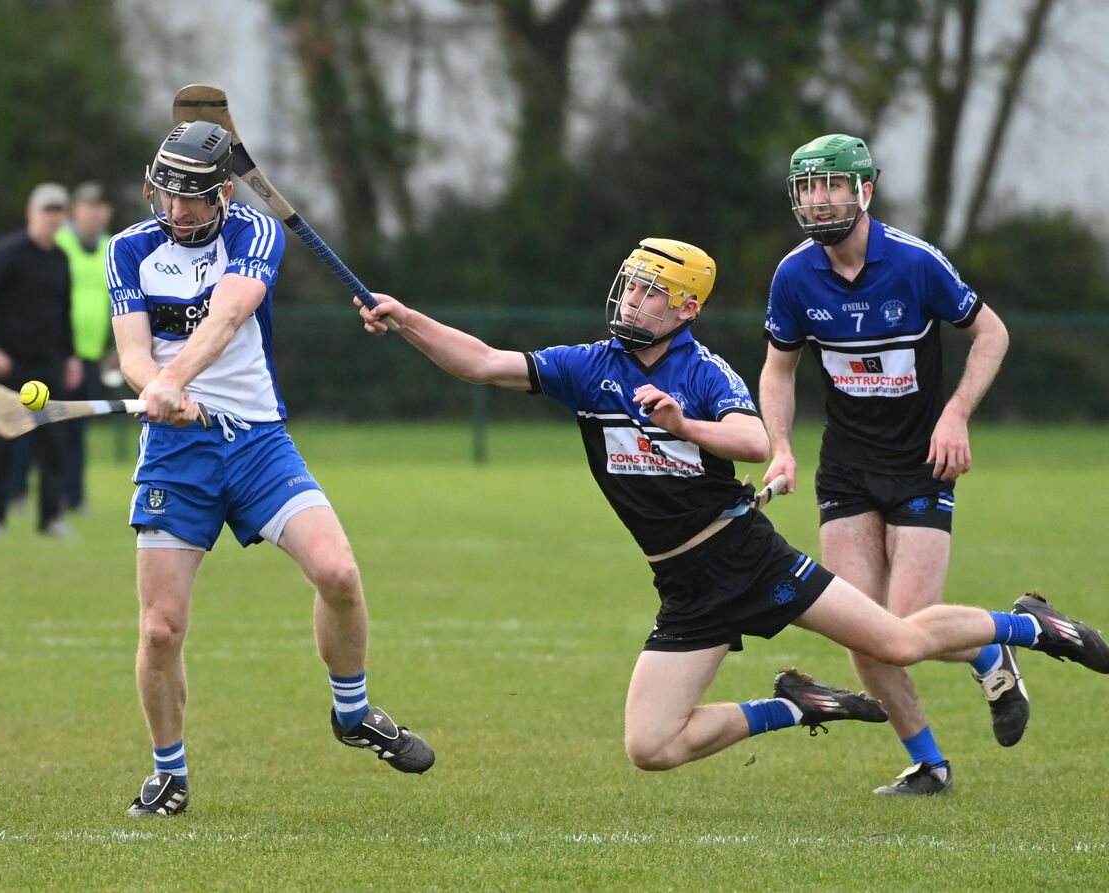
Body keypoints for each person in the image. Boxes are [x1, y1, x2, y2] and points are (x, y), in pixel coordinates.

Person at [353, 237, 1108, 779]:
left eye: (650, 290)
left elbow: (750, 438)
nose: (633, 298)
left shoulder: (701, 369)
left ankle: (1030, 625)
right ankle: (800, 706)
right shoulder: (591, 368)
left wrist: (684, 424)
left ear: (685, 308)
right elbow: (485, 363)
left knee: (900, 641)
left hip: (748, 558)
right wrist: (408, 319)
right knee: (650, 747)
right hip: (683, 585)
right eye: (630, 284)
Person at [107, 120, 433, 817]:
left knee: (338, 572)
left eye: (194, 198)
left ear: (225, 192)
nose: (180, 211)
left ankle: (352, 712)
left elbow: (228, 315)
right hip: (176, 452)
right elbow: (133, 350)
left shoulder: (257, 234)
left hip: (256, 441)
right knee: (161, 628)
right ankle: (170, 771)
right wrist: (154, 386)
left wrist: (179, 377)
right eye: (169, 195)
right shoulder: (128, 249)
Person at [759, 134, 1015, 796]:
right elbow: (778, 369)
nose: (817, 201)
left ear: (863, 190)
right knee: (862, 631)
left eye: (830, 185)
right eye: (806, 188)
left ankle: (1002, 639)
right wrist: (780, 445)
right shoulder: (794, 275)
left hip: (920, 464)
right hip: (845, 468)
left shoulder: (914, 263)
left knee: (905, 630)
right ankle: (929, 763)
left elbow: (992, 332)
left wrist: (955, 412)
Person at [0, 182, 83, 538]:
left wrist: (71, 356)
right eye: (46, 211)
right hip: (9, 363)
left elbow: (64, 313)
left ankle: (50, 517)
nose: (52, 219)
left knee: (54, 443)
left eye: (58, 212)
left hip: (48, 364)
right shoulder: (8, 253)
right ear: (30, 213)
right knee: (0, 440)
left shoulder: (62, 259)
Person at [55, 181, 117, 513]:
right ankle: (22, 493)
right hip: (57, 352)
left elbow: (117, 302)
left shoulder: (111, 247)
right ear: (74, 210)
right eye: (89, 205)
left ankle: (74, 497)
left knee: (78, 428)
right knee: (46, 427)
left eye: (101, 206)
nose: (95, 213)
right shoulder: (59, 245)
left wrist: (115, 345)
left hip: (91, 353)